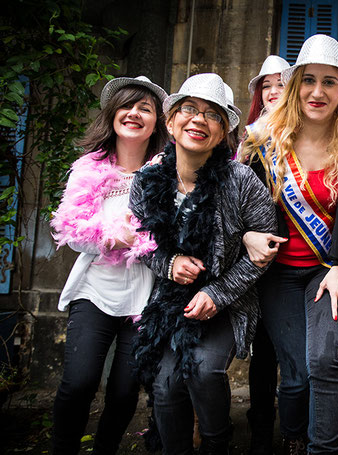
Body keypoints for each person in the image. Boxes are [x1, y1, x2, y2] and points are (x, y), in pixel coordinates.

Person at [240, 34, 338, 454]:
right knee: (296, 373)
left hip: (327, 269)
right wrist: (247, 235)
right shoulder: (265, 140)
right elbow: (241, 203)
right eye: (309, 80)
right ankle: (295, 437)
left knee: (326, 361)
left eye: (330, 82)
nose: (318, 92)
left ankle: (324, 448)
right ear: (295, 84)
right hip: (278, 273)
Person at [129, 73, 277, 455]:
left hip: (228, 302)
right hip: (170, 301)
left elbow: (265, 250)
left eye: (212, 114)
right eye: (189, 110)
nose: (198, 120)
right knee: (164, 385)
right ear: (171, 121)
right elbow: (141, 245)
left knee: (204, 370)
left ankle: (216, 443)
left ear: (225, 130)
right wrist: (169, 263)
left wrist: (217, 292)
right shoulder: (146, 180)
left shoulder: (241, 180)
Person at [50, 75, 169, 454]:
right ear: (113, 115)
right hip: (95, 290)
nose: (134, 113)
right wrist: (113, 236)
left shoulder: (167, 173)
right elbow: (72, 233)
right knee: (79, 382)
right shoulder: (89, 168)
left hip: (145, 297)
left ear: (156, 122)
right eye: (127, 106)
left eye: (145, 108)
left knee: (123, 391)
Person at [241, 54, 290, 455]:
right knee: (263, 351)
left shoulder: (313, 133)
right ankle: (260, 428)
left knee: (288, 350)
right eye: (266, 86)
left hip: (298, 256)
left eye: (281, 83)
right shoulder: (251, 140)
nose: (273, 91)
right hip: (260, 256)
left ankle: (295, 430)